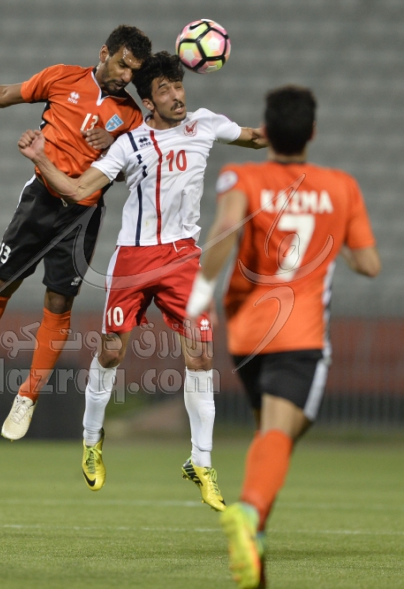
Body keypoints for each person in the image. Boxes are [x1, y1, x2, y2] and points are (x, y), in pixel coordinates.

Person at [17, 51, 266, 510]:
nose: (176, 96)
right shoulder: (129, 144)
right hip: (134, 258)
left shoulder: (205, 124)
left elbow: (255, 137)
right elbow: (78, 189)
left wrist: (287, 129)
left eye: (178, 86)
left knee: (200, 355)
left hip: (183, 259)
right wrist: (41, 159)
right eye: (164, 90)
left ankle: (201, 462)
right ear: (148, 102)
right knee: (112, 350)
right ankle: (91, 439)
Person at [186, 85, 381, 588]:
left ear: (267, 132)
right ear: (312, 132)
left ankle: (256, 549)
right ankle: (250, 513)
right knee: (284, 432)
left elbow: (225, 230)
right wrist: (334, 236)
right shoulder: (341, 187)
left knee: (266, 432)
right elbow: (369, 265)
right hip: (300, 334)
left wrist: (198, 301)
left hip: (247, 334)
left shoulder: (241, 177)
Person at [0, 25, 152, 439]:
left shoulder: (131, 116)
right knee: (1, 282)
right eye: (122, 65)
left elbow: (128, 172)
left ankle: (27, 397)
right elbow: (5, 94)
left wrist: (113, 144)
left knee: (59, 302)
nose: (126, 76)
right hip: (41, 199)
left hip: (82, 214)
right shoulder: (62, 77)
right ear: (105, 53)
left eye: (133, 71)